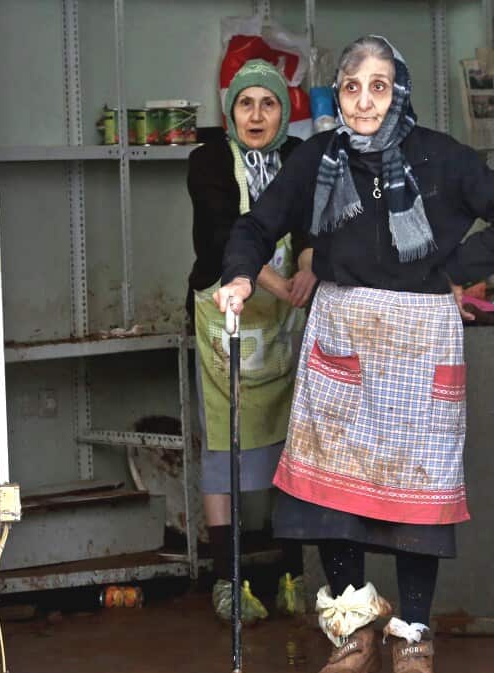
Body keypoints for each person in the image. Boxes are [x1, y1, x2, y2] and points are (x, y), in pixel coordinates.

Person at [216, 36, 494, 673]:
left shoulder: (442, 159)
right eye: (352, 87)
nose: (365, 100)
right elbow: (259, 225)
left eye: (380, 85)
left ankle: (413, 639)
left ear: (400, 92)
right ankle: (354, 631)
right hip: (340, 334)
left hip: (422, 343)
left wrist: (452, 271)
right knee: (331, 498)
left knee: (418, 502)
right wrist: (238, 277)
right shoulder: (318, 157)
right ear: (336, 95)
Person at [186, 59, 316, 622]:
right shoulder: (207, 161)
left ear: (282, 112)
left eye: (267, 104)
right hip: (228, 315)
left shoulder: (297, 159)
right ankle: (227, 580)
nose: (256, 115)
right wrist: (275, 282)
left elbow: (312, 225)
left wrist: (307, 268)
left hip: (285, 318)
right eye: (246, 104)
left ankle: (293, 572)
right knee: (225, 444)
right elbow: (222, 234)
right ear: (230, 111)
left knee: (292, 443)